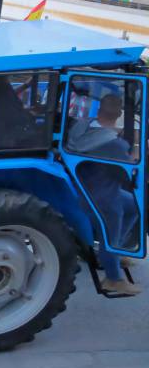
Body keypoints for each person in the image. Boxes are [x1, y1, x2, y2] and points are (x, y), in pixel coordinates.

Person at [69, 94, 141, 295]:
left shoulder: (83, 126)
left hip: (80, 187)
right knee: (111, 229)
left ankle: (114, 252)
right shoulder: (114, 146)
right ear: (119, 114)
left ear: (99, 109)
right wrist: (138, 150)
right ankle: (112, 278)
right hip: (102, 197)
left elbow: (102, 136)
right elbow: (128, 174)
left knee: (133, 206)